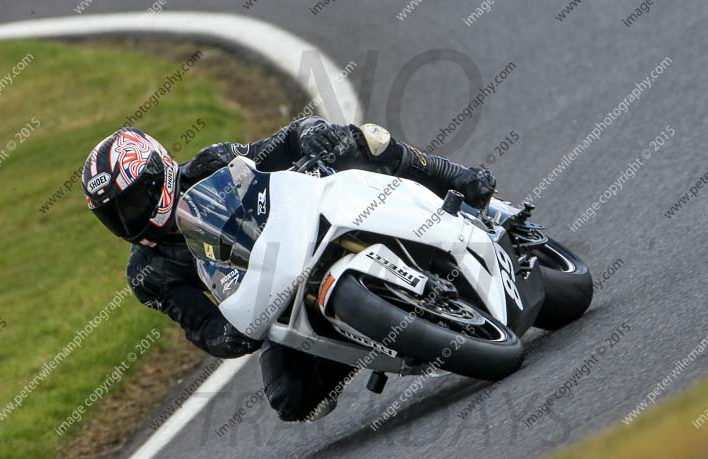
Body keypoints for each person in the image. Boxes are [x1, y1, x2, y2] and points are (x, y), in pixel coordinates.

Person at [81, 117, 496, 422]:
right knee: (292, 400)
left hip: (312, 223)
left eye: (131, 202)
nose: (126, 219)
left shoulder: (212, 164)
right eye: (112, 214)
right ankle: (366, 334)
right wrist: (229, 335)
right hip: (277, 297)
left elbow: (283, 142)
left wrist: (311, 134)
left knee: (362, 140)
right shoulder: (148, 273)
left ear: (159, 176)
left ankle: (453, 178)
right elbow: (201, 326)